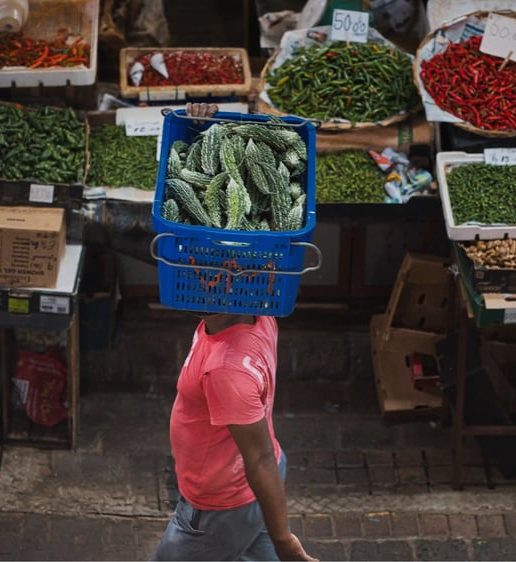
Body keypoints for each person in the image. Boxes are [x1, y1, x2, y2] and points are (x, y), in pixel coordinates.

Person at [151, 103, 316, 561]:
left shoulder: (228, 369)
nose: (185, 265)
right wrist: (208, 124)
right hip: (250, 485)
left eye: (195, 264)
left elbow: (259, 460)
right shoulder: (260, 311)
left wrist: (286, 540)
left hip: (220, 504)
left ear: (221, 278)